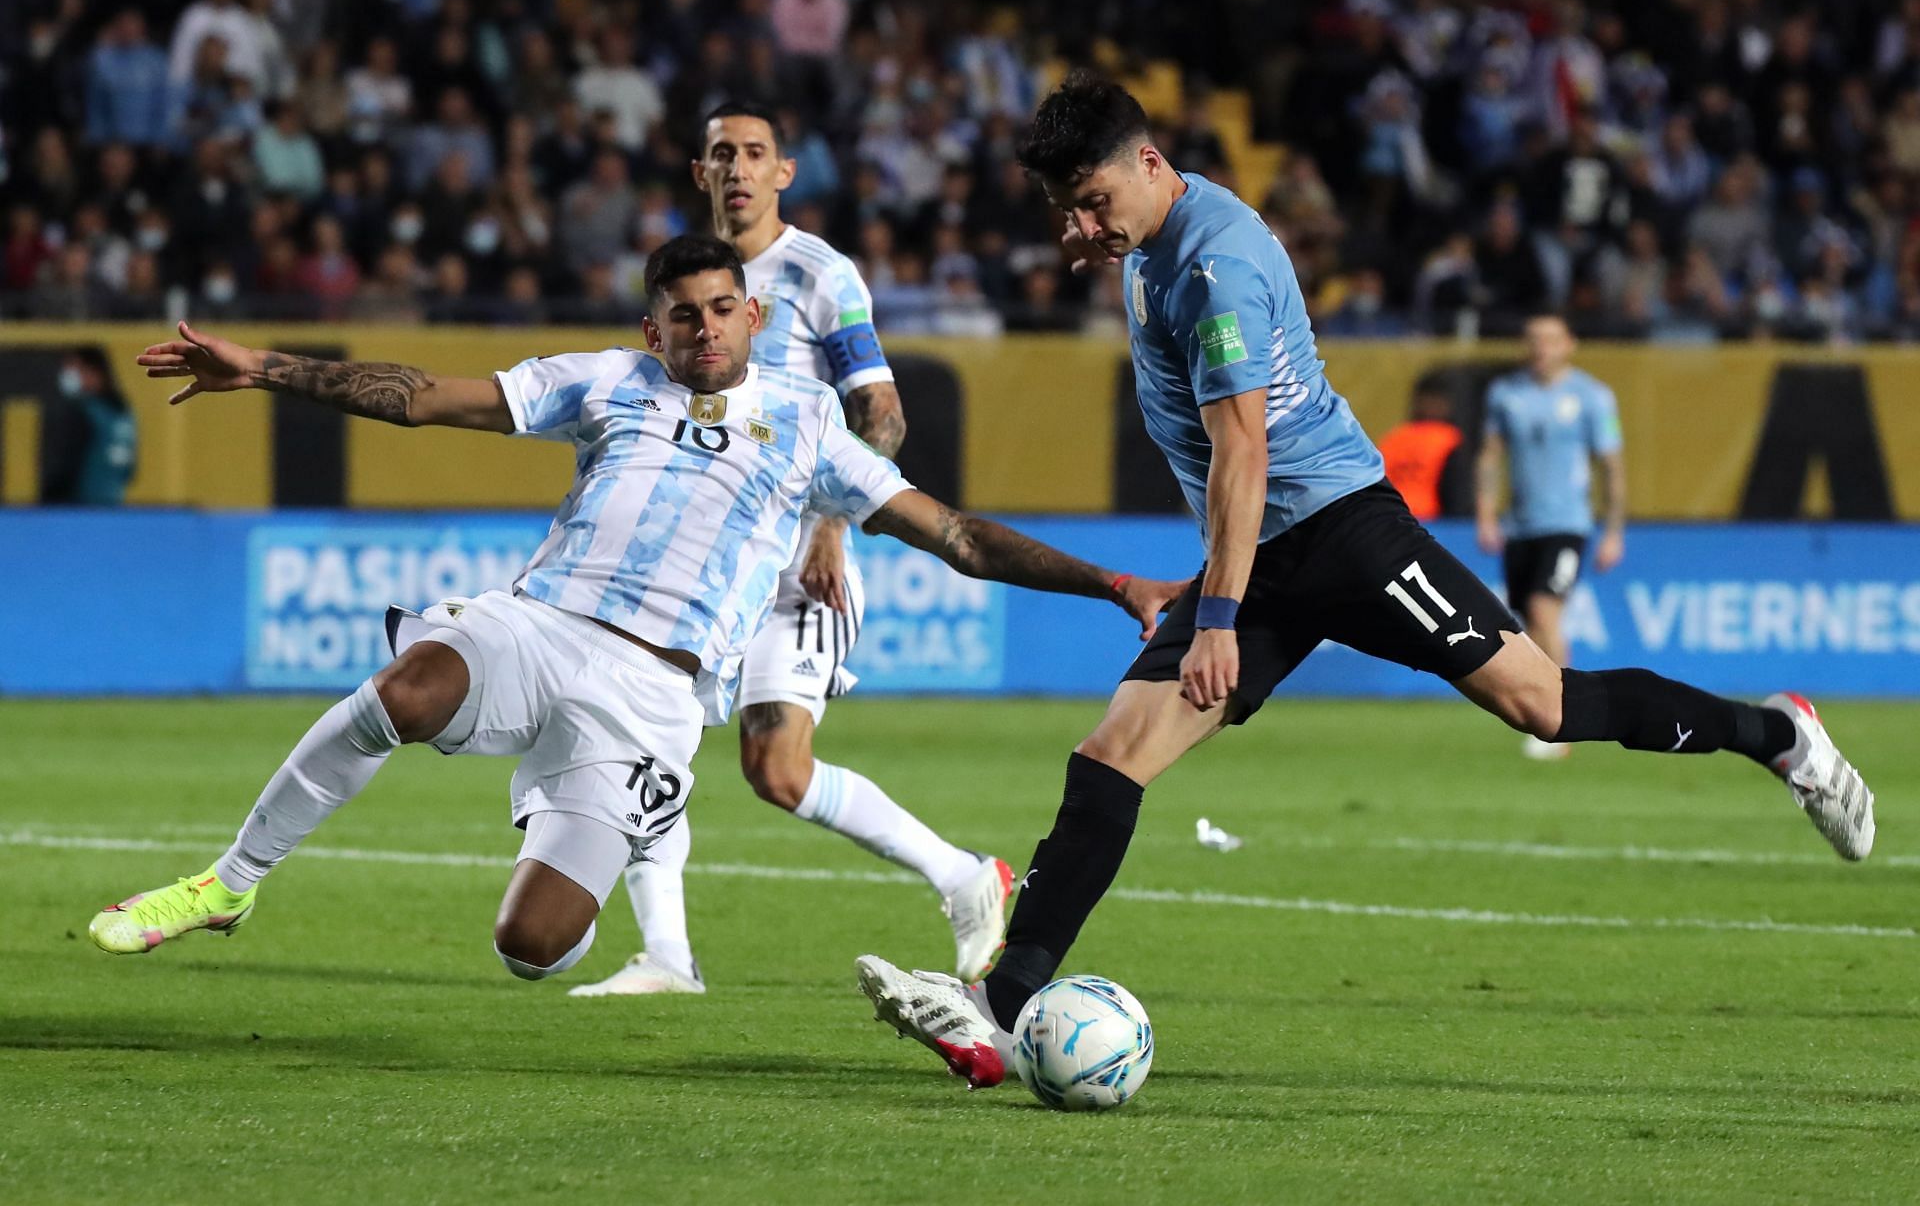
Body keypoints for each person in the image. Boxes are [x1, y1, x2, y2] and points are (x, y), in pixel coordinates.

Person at [851, 73, 1877, 1091]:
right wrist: (1098, 236)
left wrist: (1218, 618)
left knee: (1547, 702)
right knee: (1111, 754)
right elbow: (1229, 461)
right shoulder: (1150, 236)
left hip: (1348, 537)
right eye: (1066, 209)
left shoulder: (1215, 269)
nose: (1082, 225)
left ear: (1152, 165)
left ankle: (1781, 735)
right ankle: (1000, 1008)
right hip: (1261, 553)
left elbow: (1243, 451)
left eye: (1094, 203)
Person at [86, 236, 1184, 981]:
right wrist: (266, 367)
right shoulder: (606, 381)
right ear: (651, 328)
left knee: (534, 947)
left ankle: (621, 817)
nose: (704, 330)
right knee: (408, 688)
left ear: (752, 314)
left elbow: (956, 534)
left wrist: (1116, 582)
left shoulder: (807, 427)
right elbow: (420, 399)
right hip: (542, 623)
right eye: (681, 317)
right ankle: (227, 884)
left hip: (657, 695)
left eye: (720, 310)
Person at [570, 103, 1012, 998]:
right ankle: (666, 953)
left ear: (785, 172)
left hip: (798, 556)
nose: (737, 167)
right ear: (699, 173)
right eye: (721, 154)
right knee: (641, 741)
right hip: (695, 555)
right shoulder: (686, 280)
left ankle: (965, 874)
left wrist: (831, 523)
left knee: (777, 766)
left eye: (755, 153)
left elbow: (880, 411)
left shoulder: (820, 274)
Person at [1476, 314, 1625, 760]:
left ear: (1569, 345)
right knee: (1530, 623)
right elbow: (1490, 456)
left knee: (1545, 609)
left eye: (1550, 340)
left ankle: (1562, 724)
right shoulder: (1506, 394)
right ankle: (1549, 712)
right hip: (1520, 527)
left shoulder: (1593, 397)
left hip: (1568, 524)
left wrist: (1614, 530)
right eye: (1533, 339)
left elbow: (1611, 465)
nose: (1541, 347)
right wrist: (1486, 514)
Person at [41, 349, 137, 505]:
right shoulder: (124, 414)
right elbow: (130, 471)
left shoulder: (82, 412)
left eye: (74, 369)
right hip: (113, 506)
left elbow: (65, 467)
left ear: (94, 372)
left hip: (78, 508)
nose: (68, 375)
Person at [1376, 371, 1468, 522]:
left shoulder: (1394, 437)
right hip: (1429, 521)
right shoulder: (1448, 437)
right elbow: (1454, 493)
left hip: (1389, 517)